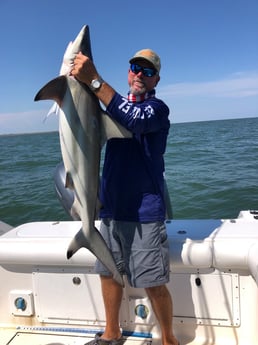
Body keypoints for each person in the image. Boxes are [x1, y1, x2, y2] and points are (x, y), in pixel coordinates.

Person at [71, 48, 179, 345]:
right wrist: (79, 83)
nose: (140, 75)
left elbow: (136, 121)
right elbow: (98, 115)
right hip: (110, 210)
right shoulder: (113, 109)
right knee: (108, 273)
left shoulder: (157, 110)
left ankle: (169, 340)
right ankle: (111, 333)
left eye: (148, 71)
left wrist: (94, 81)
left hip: (144, 214)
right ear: (128, 71)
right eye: (135, 68)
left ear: (156, 79)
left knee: (153, 283)